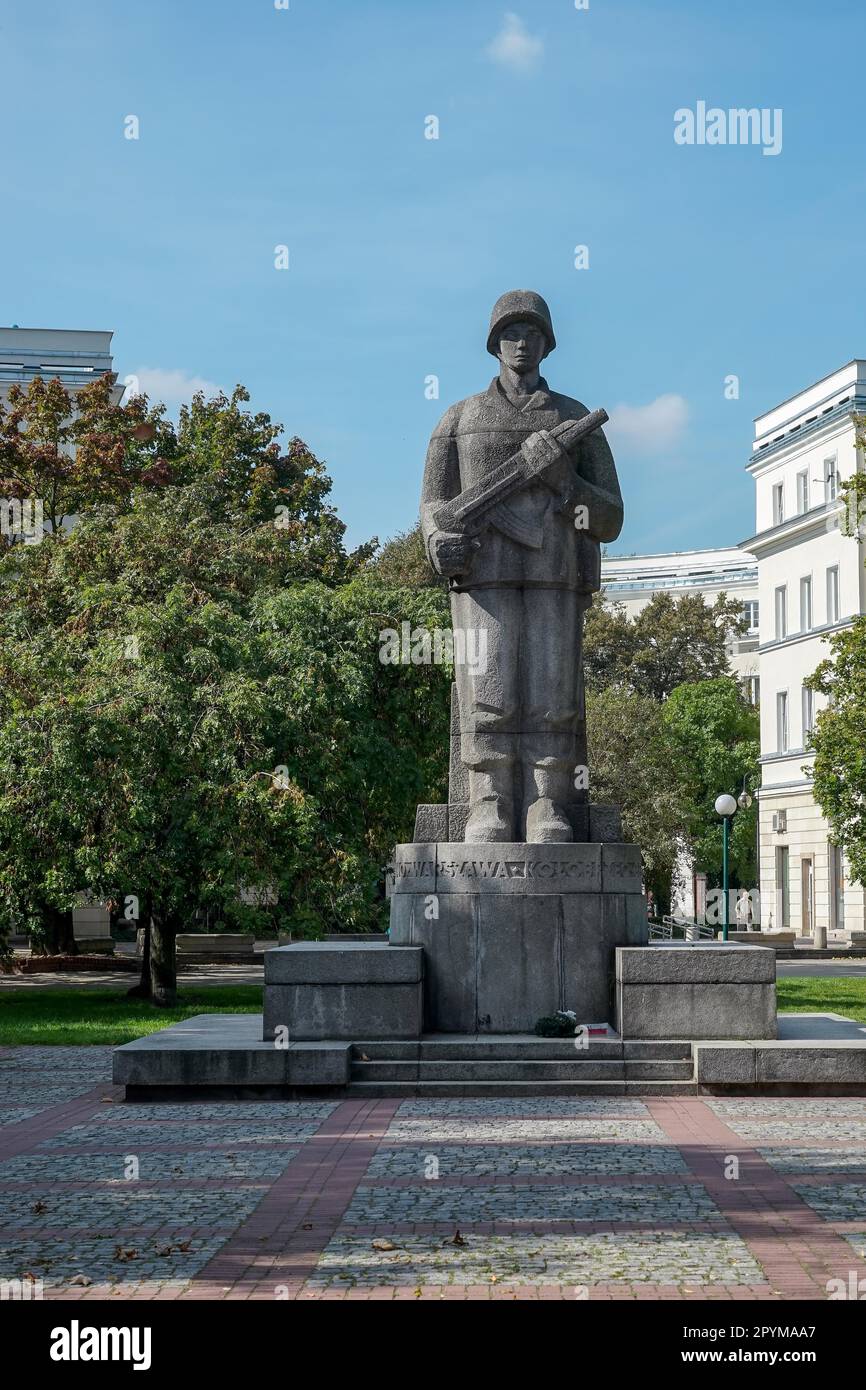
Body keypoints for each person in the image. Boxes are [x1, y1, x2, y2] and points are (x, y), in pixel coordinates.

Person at [420, 290, 623, 843]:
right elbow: (434, 507)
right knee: (488, 692)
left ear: (547, 343)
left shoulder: (574, 419)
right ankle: (488, 801)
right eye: (510, 333)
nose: (521, 343)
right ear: (494, 343)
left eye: (532, 333)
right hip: (483, 580)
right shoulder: (459, 419)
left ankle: (546, 803)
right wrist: (439, 541)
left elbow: (608, 517)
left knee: (551, 694)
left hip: (555, 577)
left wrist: (565, 482)